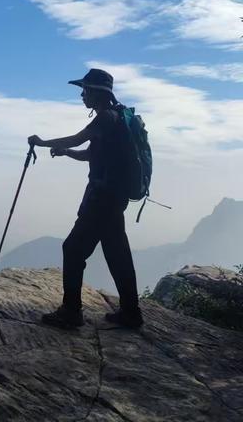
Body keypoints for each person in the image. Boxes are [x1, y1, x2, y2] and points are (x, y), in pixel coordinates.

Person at [28, 68, 143, 329]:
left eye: (85, 90)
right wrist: (67, 152)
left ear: (97, 93)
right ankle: (131, 313)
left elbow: (79, 137)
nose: (82, 95)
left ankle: (71, 312)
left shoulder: (105, 119)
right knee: (117, 254)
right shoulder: (116, 119)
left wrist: (42, 141)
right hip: (115, 197)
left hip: (102, 200)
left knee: (73, 249)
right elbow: (91, 153)